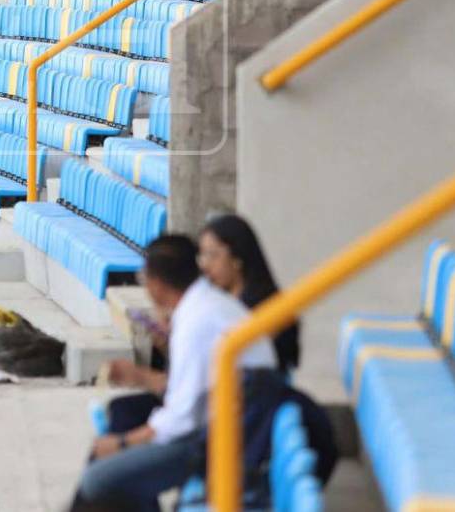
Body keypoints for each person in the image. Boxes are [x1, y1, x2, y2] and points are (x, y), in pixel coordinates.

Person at [73, 235, 276, 512]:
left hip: (215, 442)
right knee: (111, 452)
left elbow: (182, 419)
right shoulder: (206, 305)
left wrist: (123, 443)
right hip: (224, 427)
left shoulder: (197, 322)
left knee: (97, 480)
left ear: (156, 283)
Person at [198, 214, 301, 374]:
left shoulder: (265, 309)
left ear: (237, 258)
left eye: (213, 255)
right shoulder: (217, 300)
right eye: (202, 255)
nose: (205, 265)